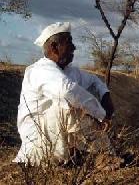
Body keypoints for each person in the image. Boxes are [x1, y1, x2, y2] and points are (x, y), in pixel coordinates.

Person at [13, 22, 114, 165]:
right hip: (38, 146)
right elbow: (67, 91)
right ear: (54, 47)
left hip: (57, 141)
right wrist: (102, 115)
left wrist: (105, 95)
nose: (74, 47)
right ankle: (103, 156)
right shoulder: (40, 70)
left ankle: (104, 155)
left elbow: (93, 80)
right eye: (69, 42)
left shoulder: (68, 70)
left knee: (75, 104)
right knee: (68, 105)